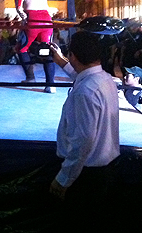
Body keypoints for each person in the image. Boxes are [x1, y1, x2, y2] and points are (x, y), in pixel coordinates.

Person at [49, 31, 120, 230]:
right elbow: (81, 75)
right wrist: (62, 61)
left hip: (86, 177)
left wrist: (63, 179)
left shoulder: (85, 92)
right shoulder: (105, 79)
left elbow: (83, 141)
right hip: (104, 171)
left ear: (73, 55)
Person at [15, 0, 56, 93]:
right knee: (47, 50)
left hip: (33, 17)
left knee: (22, 48)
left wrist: (20, 11)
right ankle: (51, 84)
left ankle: (30, 77)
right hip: (46, 18)